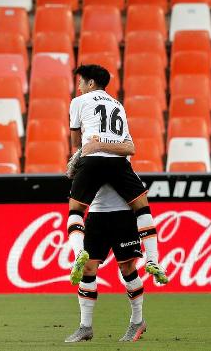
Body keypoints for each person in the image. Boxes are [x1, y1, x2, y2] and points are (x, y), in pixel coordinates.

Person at [66, 65, 168, 287]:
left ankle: (77, 254)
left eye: (81, 82)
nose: (80, 87)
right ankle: (153, 259)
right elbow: (130, 148)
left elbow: (76, 145)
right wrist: (107, 144)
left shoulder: (78, 102)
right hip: (119, 162)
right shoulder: (118, 105)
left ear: (91, 83)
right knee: (142, 207)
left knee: (75, 211)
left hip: (92, 161)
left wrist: (89, 149)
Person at [64, 184, 148, 343]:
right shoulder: (87, 160)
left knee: (127, 268)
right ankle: (85, 326)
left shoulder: (121, 159)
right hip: (96, 215)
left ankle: (137, 321)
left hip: (123, 214)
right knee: (87, 267)